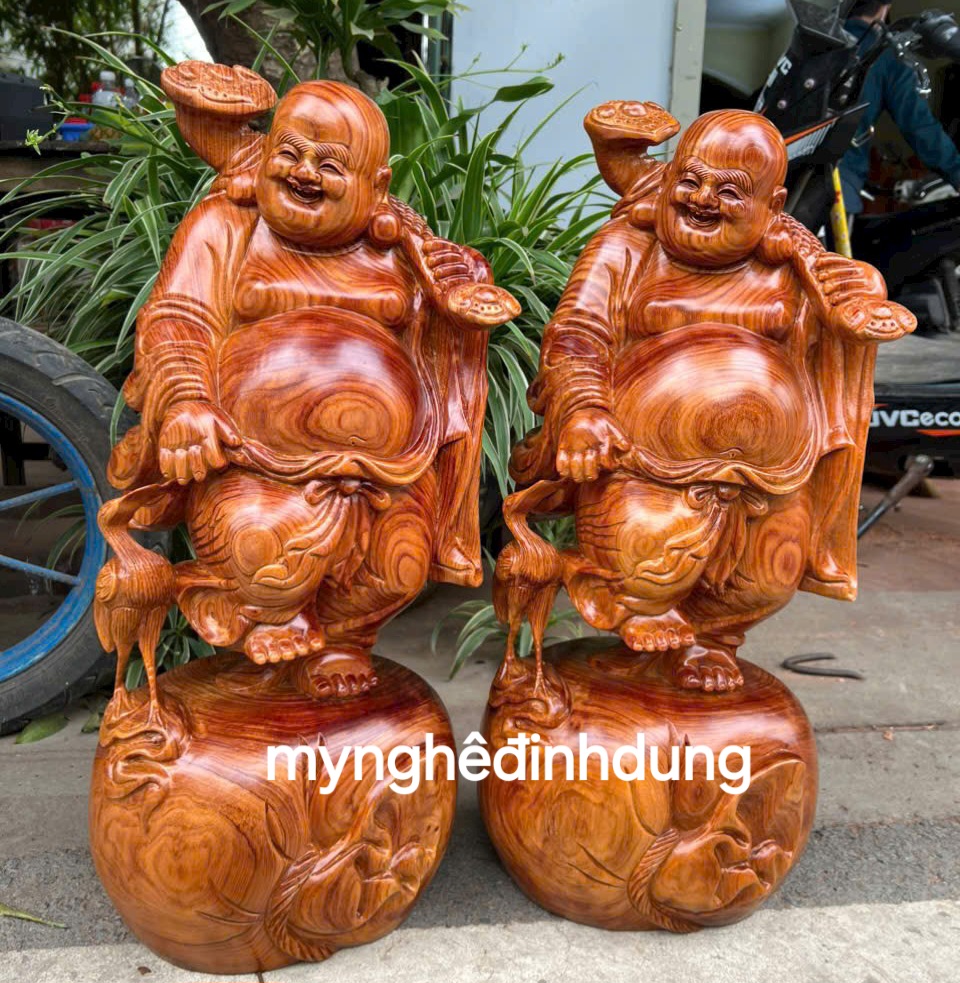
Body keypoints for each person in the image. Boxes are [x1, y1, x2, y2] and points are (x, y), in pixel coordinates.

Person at [839, 0, 960, 217]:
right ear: (884, 8)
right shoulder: (887, 56)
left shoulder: (818, 41)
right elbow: (921, 128)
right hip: (836, 190)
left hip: (781, 175)